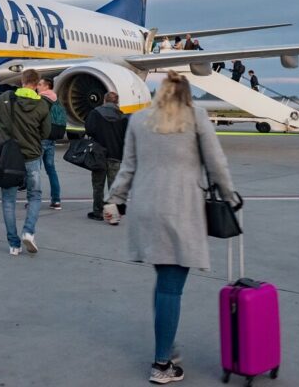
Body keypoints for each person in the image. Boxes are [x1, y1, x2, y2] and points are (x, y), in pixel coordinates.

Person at [103, 71, 237, 385]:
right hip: (181, 210)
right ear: (186, 95)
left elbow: (128, 165)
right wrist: (230, 196)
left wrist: (115, 200)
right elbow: (216, 163)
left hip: (147, 209)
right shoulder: (197, 117)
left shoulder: (138, 120)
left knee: (164, 281)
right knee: (171, 286)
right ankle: (162, 364)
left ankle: (168, 345)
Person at [0, 69, 50, 256]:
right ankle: (28, 231)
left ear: (22, 81)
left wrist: (3, 125)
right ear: (37, 83)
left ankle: (14, 244)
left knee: (8, 200)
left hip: (8, 157)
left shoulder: (6, 97)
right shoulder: (42, 105)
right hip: (31, 156)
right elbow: (46, 133)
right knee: (35, 196)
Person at [84, 91, 129, 222]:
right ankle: (113, 215)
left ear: (104, 100)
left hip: (98, 155)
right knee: (113, 186)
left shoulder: (95, 113)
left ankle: (97, 212)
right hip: (115, 155)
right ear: (117, 102)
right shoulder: (122, 116)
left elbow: (89, 130)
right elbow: (126, 137)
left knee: (98, 185)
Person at [36, 78, 63, 210]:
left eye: (40, 84)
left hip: (41, 138)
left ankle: (34, 199)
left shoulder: (41, 100)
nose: (37, 86)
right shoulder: (56, 100)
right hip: (52, 138)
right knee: (51, 170)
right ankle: (56, 199)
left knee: (35, 170)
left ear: (47, 86)